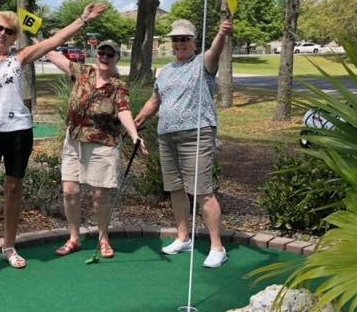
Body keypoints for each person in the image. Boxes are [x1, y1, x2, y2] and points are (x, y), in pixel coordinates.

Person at [0, 2, 108, 283]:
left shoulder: (19, 57)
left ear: (14, 37)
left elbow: (54, 41)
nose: (2, 33)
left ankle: (8, 246)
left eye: (9, 31)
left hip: (19, 130)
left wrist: (83, 18)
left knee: (13, 188)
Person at [134, 17, 233, 268]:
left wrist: (222, 33)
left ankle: (217, 247)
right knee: (175, 189)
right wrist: (137, 121)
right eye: (175, 39)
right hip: (167, 136)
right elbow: (155, 101)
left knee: (202, 191)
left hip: (196, 134)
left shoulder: (203, 63)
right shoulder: (165, 71)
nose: (179, 43)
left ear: (193, 41)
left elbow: (215, 51)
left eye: (184, 39)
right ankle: (182, 238)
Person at [45, 39, 146, 258]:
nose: (105, 57)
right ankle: (74, 238)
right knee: (70, 191)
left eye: (110, 55)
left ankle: (103, 238)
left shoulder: (118, 85)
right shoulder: (83, 72)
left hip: (103, 144)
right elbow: (55, 56)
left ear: (117, 58)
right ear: (96, 54)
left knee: (100, 196)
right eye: (102, 53)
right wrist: (35, 37)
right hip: (74, 140)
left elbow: (123, 110)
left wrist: (134, 135)